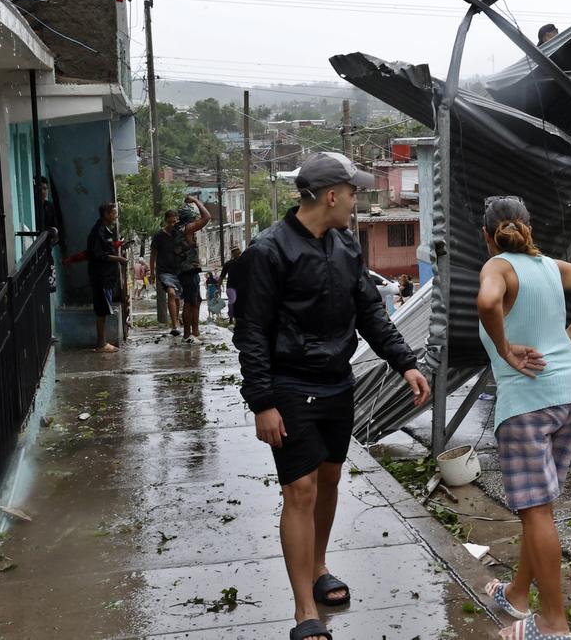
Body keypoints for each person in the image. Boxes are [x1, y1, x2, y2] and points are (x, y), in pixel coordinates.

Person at [233, 152, 430, 640]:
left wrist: (404, 361)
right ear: (331, 195)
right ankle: (305, 610)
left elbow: (370, 311)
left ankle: (319, 568)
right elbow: (251, 331)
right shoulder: (268, 251)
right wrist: (262, 401)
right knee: (298, 491)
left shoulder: (345, 245)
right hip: (290, 385)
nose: (358, 201)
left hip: (336, 382)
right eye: (354, 192)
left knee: (329, 479)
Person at [475, 196, 571, 640]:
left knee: (536, 511)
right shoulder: (550, 267)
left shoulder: (498, 268)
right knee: (538, 509)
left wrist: (504, 349)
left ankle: (553, 625)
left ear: (488, 236)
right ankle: (519, 594)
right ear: (527, 226)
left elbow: (488, 303)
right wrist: (570, 333)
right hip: (568, 396)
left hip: (527, 403)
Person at [87, 202, 127, 353]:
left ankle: (102, 343)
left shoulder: (105, 231)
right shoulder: (98, 232)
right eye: (113, 213)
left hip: (106, 276)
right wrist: (119, 259)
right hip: (100, 276)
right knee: (101, 310)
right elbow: (99, 255)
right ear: (106, 214)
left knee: (103, 310)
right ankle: (101, 343)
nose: (115, 216)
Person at [174, 196, 212, 343]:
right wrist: (196, 201)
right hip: (188, 271)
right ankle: (187, 335)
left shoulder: (177, 229)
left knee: (195, 301)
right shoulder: (187, 229)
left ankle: (194, 333)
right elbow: (207, 216)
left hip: (188, 270)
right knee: (190, 302)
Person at [150, 210, 183, 337]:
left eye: (175, 221)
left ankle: (177, 318)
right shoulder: (159, 236)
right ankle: (174, 325)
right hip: (164, 271)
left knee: (177, 297)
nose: (172, 224)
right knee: (171, 293)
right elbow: (153, 254)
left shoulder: (179, 234)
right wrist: (152, 272)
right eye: (170, 222)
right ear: (166, 221)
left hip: (178, 270)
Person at [222, 246, 243, 324]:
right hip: (231, 286)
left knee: (239, 302)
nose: (238, 255)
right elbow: (222, 275)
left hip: (241, 286)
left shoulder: (243, 262)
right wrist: (218, 287)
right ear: (233, 254)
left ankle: (238, 318)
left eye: (239, 254)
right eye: (236, 254)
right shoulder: (228, 264)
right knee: (232, 300)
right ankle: (231, 317)